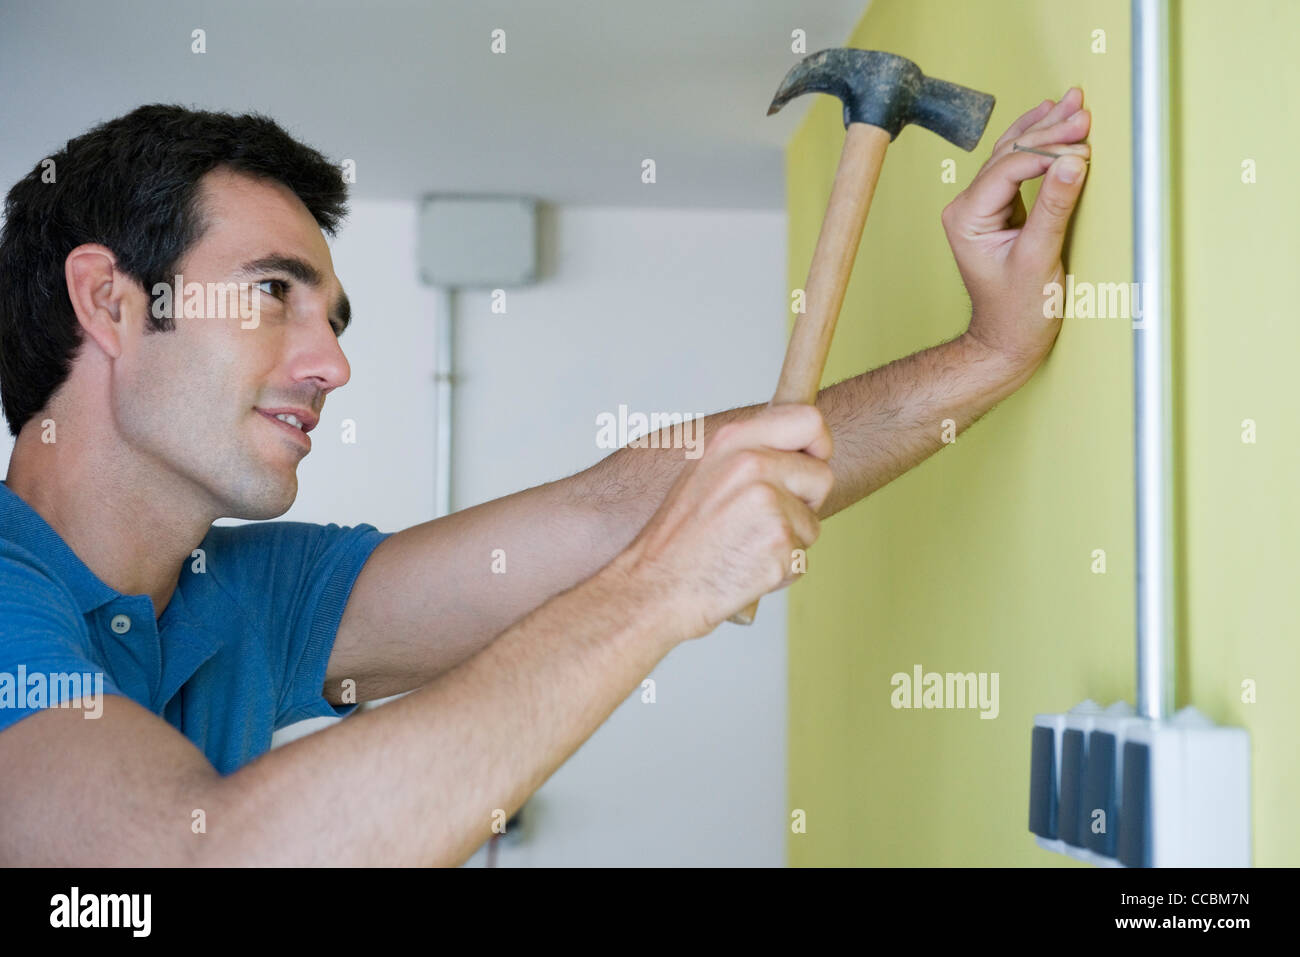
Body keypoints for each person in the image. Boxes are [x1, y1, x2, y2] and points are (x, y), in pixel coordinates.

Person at [0, 91, 1090, 865]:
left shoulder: (241, 599)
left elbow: (605, 514)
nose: (331, 362)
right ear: (111, 301)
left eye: (330, 319)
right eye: (273, 291)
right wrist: (661, 593)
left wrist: (984, 355)